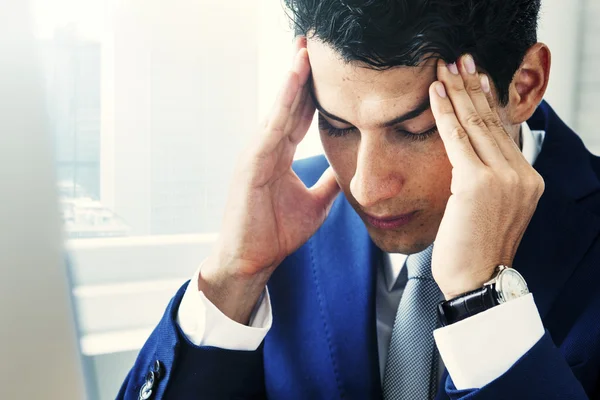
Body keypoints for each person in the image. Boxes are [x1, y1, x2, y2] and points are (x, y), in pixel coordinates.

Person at [118, 1, 600, 399]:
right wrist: (232, 279)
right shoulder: (284, 209)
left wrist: (484, 306)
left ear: (524, 85)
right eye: (337, 126)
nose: (366, 188)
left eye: (416, 129)